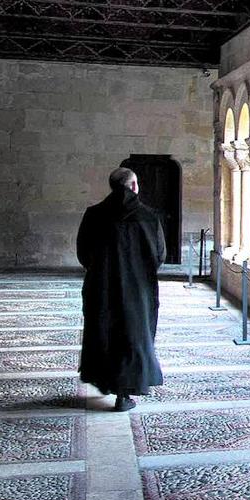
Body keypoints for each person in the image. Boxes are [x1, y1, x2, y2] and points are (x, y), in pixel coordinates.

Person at [76, 167, 165, 411]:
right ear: (134, 186)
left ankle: (107, 382)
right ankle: (125, 394)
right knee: (134, 335)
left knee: (104, 332)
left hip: (101, 287)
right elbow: (159, 255)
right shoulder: (149, 216)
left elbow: (83, 253)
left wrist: (102, 271)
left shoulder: (94, 215)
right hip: (139, 290)